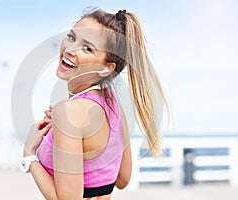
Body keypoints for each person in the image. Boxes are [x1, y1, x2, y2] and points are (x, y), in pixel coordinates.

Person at [22, 8, 171, 199]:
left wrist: (29, 155)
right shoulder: (113, 108)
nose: (69, 49)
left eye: (87, 48)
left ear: (105, 68)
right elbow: (122, 179)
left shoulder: (70, 112)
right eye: (71, 37)